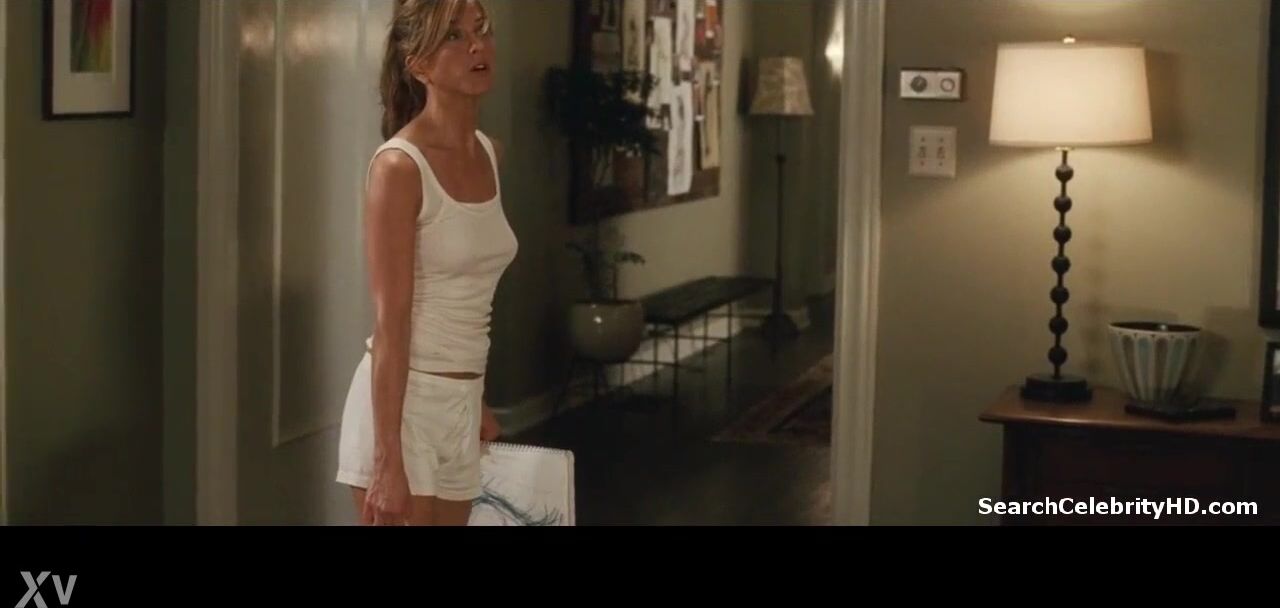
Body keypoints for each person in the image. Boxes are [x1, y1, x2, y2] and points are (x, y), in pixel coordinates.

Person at [335, 0, 517, 527]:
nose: (478, 46)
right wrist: (387, 457)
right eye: (453, 37)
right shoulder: (399, 167)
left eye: (481, 30)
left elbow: (468, 298)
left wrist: (475, 400)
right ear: (418, 64)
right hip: (404, 408)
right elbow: (390, 323)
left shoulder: (490, 154)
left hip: (461, 405)